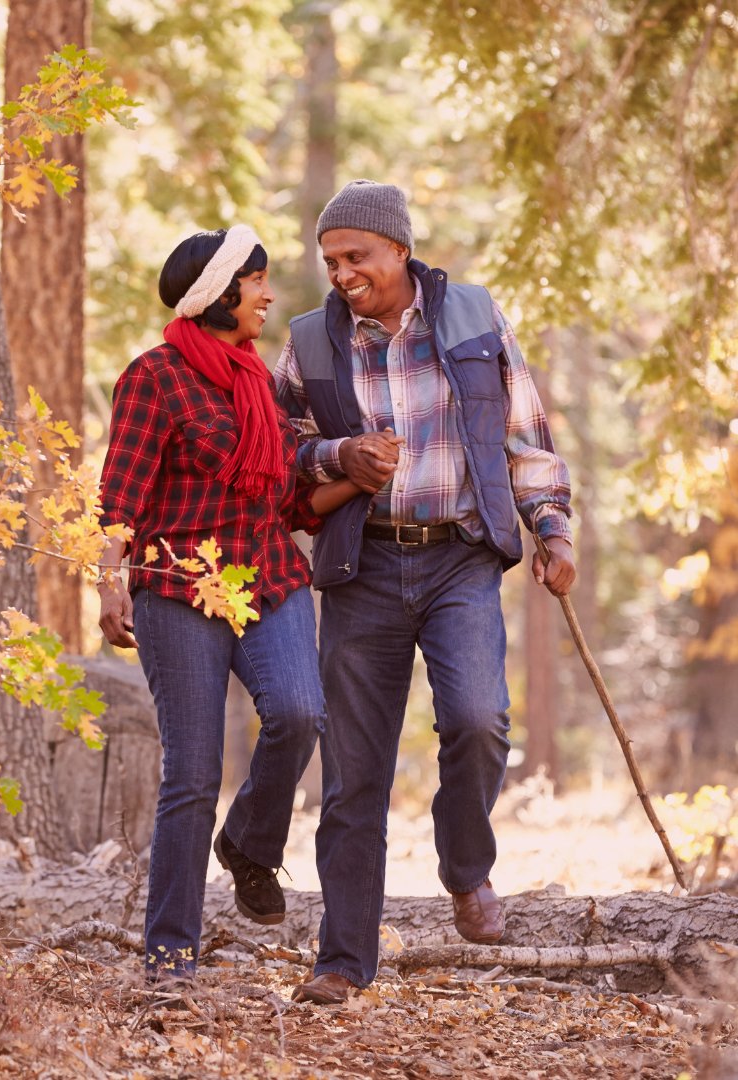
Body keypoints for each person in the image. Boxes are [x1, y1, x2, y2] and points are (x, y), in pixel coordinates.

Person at [274, 180, 576, 1005]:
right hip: (362, 567)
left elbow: (526, 434)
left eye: (357, 256)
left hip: (460, 557)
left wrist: (552, 530)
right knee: (353, 772)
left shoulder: (474, 316)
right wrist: (338, 456)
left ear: (399, 248)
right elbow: (282, 454)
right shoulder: (309, 343)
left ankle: (466, 870)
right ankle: (341, 961)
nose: (341, 273)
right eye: (330, 260)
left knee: (479, 719)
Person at [97, 225, 364, 988]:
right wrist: (110, 581)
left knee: (299, 714)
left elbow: (290, 499)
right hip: (179, 586)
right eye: (256, 281)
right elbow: (119, 496)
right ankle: (170, 957)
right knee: (191, 773)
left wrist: (362, 476)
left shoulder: (256, 382)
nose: (268, 295)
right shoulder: (155, 377)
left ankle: (248, 844)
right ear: (218, 293)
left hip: (267, 581)